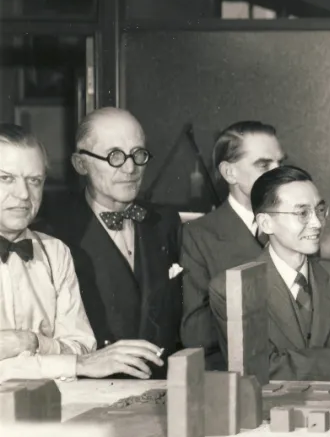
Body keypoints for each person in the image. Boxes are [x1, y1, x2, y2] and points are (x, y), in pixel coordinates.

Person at [0, 124, 163, 380]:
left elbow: (84, 346)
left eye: (34, 181)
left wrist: (30, 343)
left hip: (48, 408)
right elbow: (81, 361)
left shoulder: (55, 252)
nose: (23, 194)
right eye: (5, 178)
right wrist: (71, 362)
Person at [38, 108, 182, 371]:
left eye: (138, 154)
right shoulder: (53, 234)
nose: (130, 168)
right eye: (114, 156)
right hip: (93, 391)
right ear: (80, 164)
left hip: (164, 385)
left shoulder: (165, 222)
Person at [209, 165, 330, 381]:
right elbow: (255, 371)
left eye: (320, 210)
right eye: (302, 213)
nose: (316, 223)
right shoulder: (232, 288)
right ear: (266, 223)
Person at [180, 121, 286, 369]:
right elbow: (196, 333)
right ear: (229, 173)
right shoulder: (199, 235)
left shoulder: (298, 224)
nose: (279, 174)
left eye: (281, 164)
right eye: (264, 165)